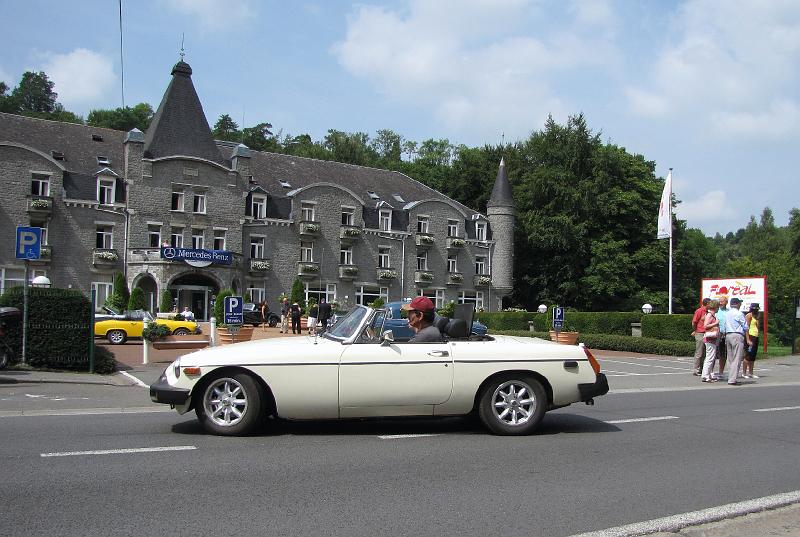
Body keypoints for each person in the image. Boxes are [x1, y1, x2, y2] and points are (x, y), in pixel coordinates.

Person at [724, 297, 747, 385]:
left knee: (730, 358)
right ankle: (732, 379)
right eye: (740, 303)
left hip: (728, 334)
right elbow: (745, 326)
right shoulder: (739, 313)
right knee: (737, 358)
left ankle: (730, 376)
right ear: (737, 304)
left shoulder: (727, 313)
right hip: (737, 334)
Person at [701, 300, 720, 382]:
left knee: (710, 357)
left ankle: (707, 374)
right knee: (710, 357)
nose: (718, 308)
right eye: (718, 307)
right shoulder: (709, 315)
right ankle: (705, 376)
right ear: (715, 307)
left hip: (712, 339)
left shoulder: (711, 315)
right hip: (710, 339)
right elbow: (705, 326)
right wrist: (716, 323)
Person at [691, 298, 710, 376]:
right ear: (707, 304)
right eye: (710, 303)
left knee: (705, 352)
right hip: (700, 333)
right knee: (699, 352)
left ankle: (702, 369)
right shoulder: (699, 311)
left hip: (707, 333)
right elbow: (694, 322)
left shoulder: (709, 312)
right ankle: (696, 369)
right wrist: (696, 330)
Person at [743, 303, 760, 379]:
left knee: (753, 355)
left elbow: (758, 327)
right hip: (750, 336)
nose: (755, 310)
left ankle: (751, 372)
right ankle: (744, 373)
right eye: (754, 309)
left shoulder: (757, 316)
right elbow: (747, 328)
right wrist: (747, 339)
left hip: (756, 336)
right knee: (748, 355)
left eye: (756, 309)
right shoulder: (749, 315)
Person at [715, 296, 729, 379]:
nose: (720, 303)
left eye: (722, 301)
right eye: (719, 301)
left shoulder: (729, 311)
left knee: (723, 354)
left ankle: (721, 372)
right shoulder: (716, 311)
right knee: (714, 354)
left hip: (726, 334)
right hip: (717, 334)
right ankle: (710, 372)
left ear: (726, 302)